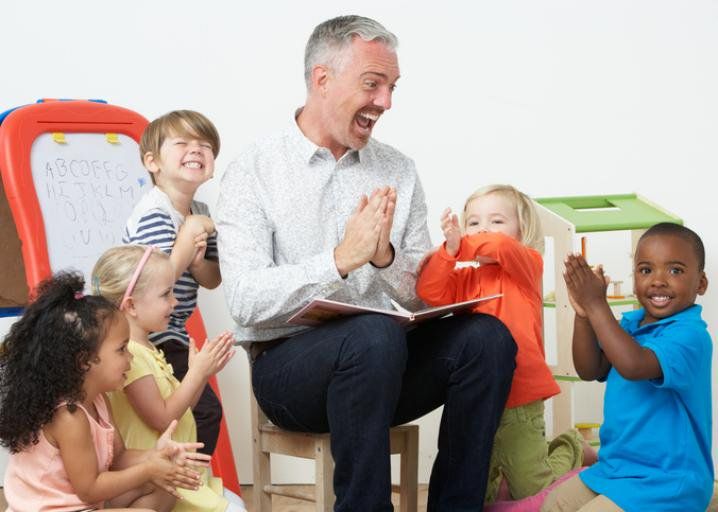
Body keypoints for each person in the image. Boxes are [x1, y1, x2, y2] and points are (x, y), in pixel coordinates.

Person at [216, 15, 517, 510]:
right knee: (371, 336)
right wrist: (338, 261)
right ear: (322, 79)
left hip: (386, 364)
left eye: (392, 87)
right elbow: (245, 300)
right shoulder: (254, 170)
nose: (386, 102)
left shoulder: (398, 168)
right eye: (373, 84)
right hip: (290, 373)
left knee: (488, 339)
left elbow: (423, 294)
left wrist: (384, 259)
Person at [416, 184, 595, 504]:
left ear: (522, 230)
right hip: (477, 400)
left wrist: (461, 244)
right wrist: (447, 254)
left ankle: (572, 446)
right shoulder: (466, 279)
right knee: (479, 493)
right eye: (473, 222)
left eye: (496, 221)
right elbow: (430, 291)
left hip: (520, 401)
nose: (483, 229)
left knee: (532, 487)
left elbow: (500, 246)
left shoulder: (527, 265)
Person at [0, 271, 210, 512]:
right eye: (122, 349)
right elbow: (89, 488)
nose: (130, 357)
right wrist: (148, 470)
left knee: (164, 488)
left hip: (82, 502)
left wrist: (156, 457)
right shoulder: (69, 417)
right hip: (56, 508)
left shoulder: (99, 400)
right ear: (85, 360)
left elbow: (118, 458)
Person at [542, 222, 713, 511]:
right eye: (646, 270)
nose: (658, 281)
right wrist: (584, 314)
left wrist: (597, 305)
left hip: (668, 482)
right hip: (616, 469)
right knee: (554, 504)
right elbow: (590, 369)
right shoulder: (629, 325)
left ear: (701, 283)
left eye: (675, 270)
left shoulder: (691, 336)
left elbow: (633, 365)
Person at [93, 245, 245, 512]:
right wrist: (197, 373)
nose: (175, 302)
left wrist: (201, 374)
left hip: (172, 474)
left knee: (237, 504)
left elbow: (180, 411)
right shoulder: (131, 357)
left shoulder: (148, 349)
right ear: (131, 305)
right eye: (166, 294)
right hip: (154, 477)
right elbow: (163, 419)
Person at [124, 109, 223, 455]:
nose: (196, 149)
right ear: (152, 162)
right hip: (146, 333)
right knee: (202, 410)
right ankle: (184, 479)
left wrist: (197, 260)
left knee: (195, 410)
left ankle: (182, 478)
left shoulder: (200, 211)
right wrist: (189, 235)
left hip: (172, 331)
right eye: (182, 143)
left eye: (205, 145)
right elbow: (154, 281)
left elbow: (212, 278)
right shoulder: (155, 212)